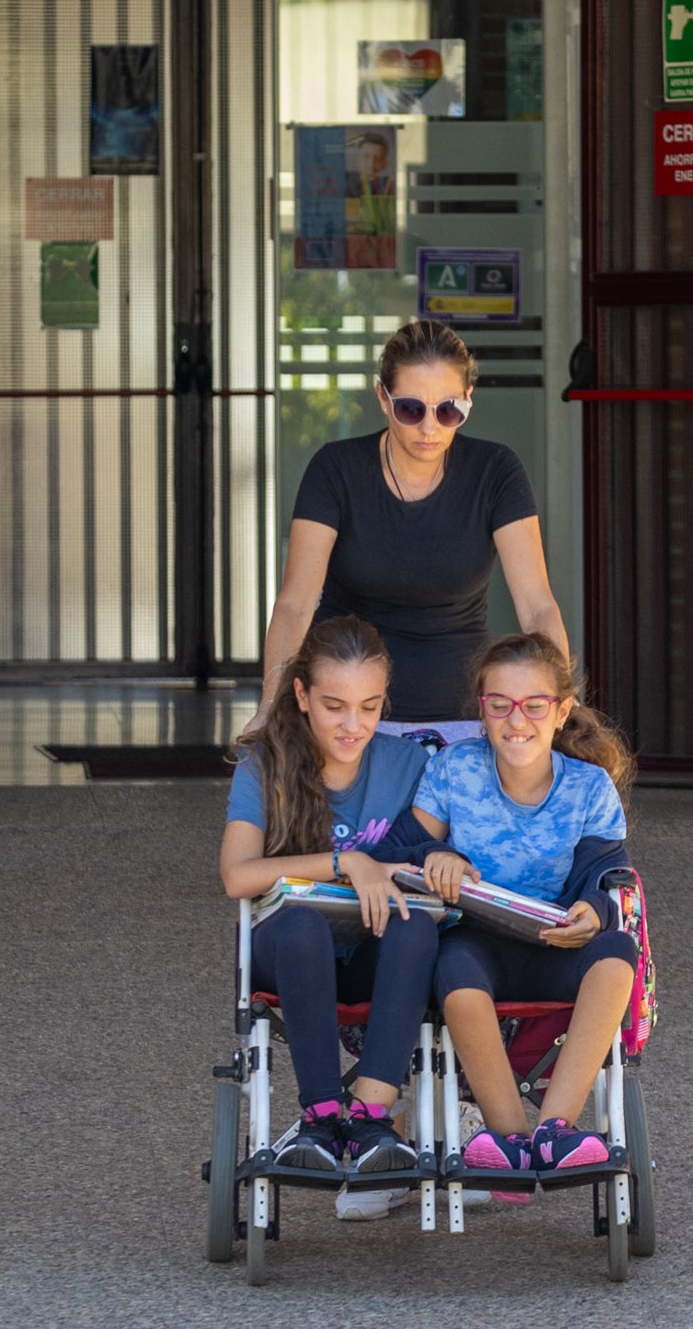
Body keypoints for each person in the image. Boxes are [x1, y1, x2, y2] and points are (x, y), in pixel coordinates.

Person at [217, 617, 443, 1217]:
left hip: (372, 955)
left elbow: (436, 854)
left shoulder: (408, 764)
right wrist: (348, 862)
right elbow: (237, 875)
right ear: (301, 696)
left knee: (416, 924)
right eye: (334, 706)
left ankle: (370, 1119)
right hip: (289, 952)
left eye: (369, 707)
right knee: (299, 925)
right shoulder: (263, 764)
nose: (353, 726)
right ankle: (320, 1116)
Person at [407, 633, 641, 1179]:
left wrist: (593, 912)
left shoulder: (588, 787)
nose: (518, 720)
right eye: (500, 705)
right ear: (481, 712)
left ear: (561, 712)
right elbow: (404, 846)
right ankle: (509, 1139)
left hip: (553, 941)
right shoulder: (452, 770)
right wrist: (436, 855)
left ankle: (555, 1130)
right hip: (475, 941)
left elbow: (605, 869)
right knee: (453, 972)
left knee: (616, 952)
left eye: (535, 705)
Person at [259, 317, 571, 725]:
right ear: (383, 398)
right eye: (410, 408)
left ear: (468, 399)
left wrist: (560, 703)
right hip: (346, 714)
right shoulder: (336, 469)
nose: (429, 427)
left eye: (448, 410)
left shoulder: (495, 471)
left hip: (463, 714)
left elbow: (536, 606)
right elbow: (295, 605)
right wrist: (270, 707)